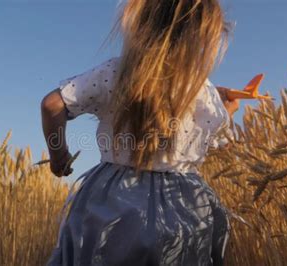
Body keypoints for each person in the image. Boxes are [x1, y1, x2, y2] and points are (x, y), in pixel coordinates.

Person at [41, 1, 239, 265]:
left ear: (142, 25)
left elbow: (52, 105)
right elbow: (220, 142)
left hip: (110, 196)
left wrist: (59, 157)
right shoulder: (204, 89)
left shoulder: (115, 71)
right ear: (205, 36)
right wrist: (228, 110)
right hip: (184, 204)